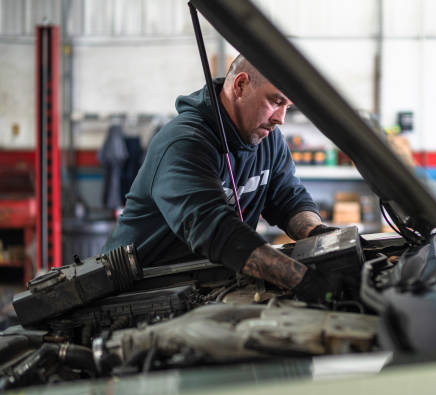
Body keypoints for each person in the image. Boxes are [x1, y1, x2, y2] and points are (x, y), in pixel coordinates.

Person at [102, 55, 335, 297]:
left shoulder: (269, 139)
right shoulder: (185, 143)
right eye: (276, 101)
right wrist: (302, 280)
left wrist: (316, 234)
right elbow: (214, 230)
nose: (281, 119)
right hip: (139, 291)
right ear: (241, 85)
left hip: (201, 287)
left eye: (287, 106)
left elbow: (289, 199)